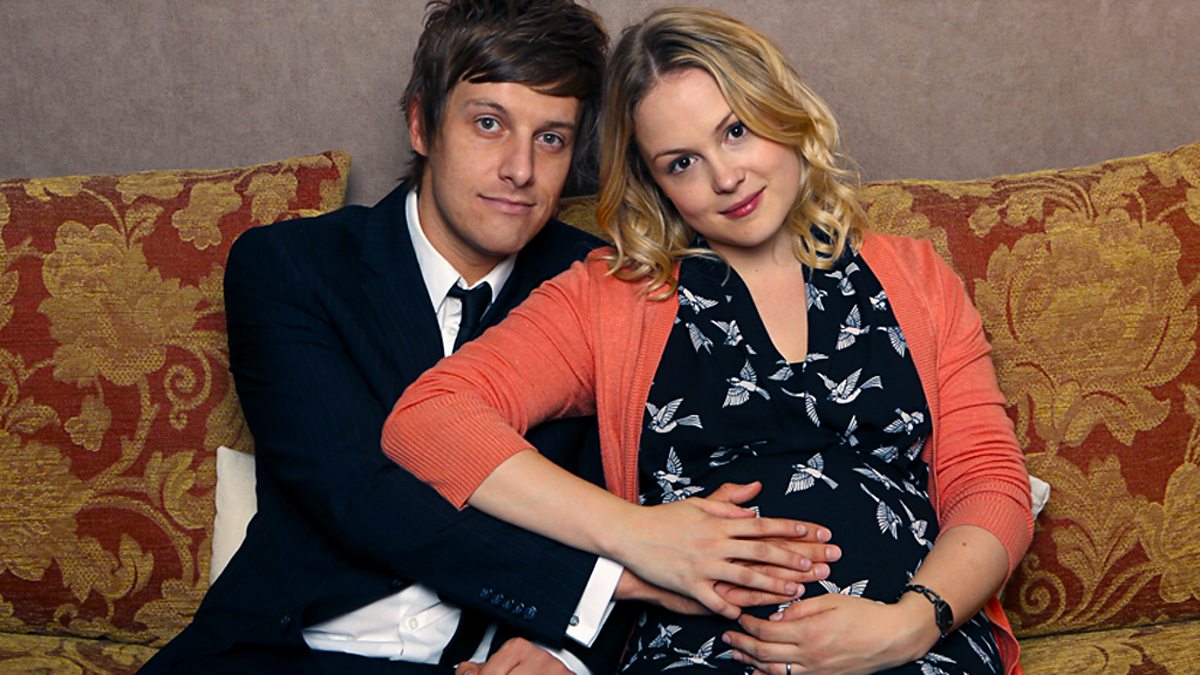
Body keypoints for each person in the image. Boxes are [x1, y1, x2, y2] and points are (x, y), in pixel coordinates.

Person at [144, 2, 835, 673]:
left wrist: (569, 656)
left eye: (551, 138)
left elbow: (651, 490)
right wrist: (609, 583)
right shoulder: (292, 266)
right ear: (421, 124)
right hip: (284, 650)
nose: (520, 169)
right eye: (488, 123)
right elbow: (360, 493)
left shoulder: (609, 288)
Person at [382, 5, 1035, 674]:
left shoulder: (914, 277)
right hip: (705, 654)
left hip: (913, 644)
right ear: (654, 183)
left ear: (784, 112)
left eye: (736, 131)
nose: (725, 178)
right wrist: (636, 533)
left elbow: (989, 480)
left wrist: (913, 623)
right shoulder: (611, 296)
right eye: (682, 162)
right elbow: (431, 419)